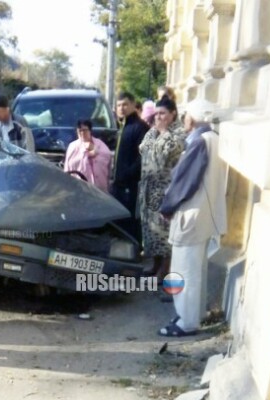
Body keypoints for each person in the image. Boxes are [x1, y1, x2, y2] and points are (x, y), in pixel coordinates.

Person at [157, 98, 227, 337]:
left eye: (186, 115)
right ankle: (193, 315)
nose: (184, 119)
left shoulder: (199, 142)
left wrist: (167, 207)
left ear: (192, 118)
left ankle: (186, 321)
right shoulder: (214, 139)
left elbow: (184, 182)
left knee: (184, 269)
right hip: (205, 214)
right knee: (196, 268)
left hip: (191, 214)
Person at [137, 96, 186, 281]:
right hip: (149, 189)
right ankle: (155, 264)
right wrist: (157, 137)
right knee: (151, 231)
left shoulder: (179, 133)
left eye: (163, 114)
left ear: (173, 114)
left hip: (166, 191)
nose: (158, 118)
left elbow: (164, 156)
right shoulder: (152, 132)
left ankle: (164, 269)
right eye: (156, 114)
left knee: (164, 232)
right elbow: (143, 148)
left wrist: (164, 134)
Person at [111, 91, 150, 242]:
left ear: (134, 105)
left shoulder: (140, 127)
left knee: (130, 222)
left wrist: (128, 174)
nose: (122, 108)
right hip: (118, 185)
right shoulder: (123, 126)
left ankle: (132, 254)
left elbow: (143, 156)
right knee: (118, 220)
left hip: (131, 186)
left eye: (125, 104)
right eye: (119, 105)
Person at [63, 119, 112, 192]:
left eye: (85, 130)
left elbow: (108, 159)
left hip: (100, 189)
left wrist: (95, 151)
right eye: (80, 131)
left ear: (90, 131)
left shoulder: (100, 145)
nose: (82, 133)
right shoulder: (72, 147)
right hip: (80, 188)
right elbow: (68, 168)